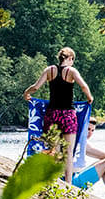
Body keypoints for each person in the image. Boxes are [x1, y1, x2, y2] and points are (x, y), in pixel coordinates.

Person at [24, 46, 94, 174]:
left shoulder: (49, 70)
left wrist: (26, 93)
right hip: (68, 115)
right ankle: (68, 184)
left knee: (53, 151)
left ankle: (53, 181)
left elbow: (35, 87)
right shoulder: (71, 71)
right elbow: (84, 86)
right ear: (70, 58)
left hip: (52, 114)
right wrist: (90, 98)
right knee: (68, 152)